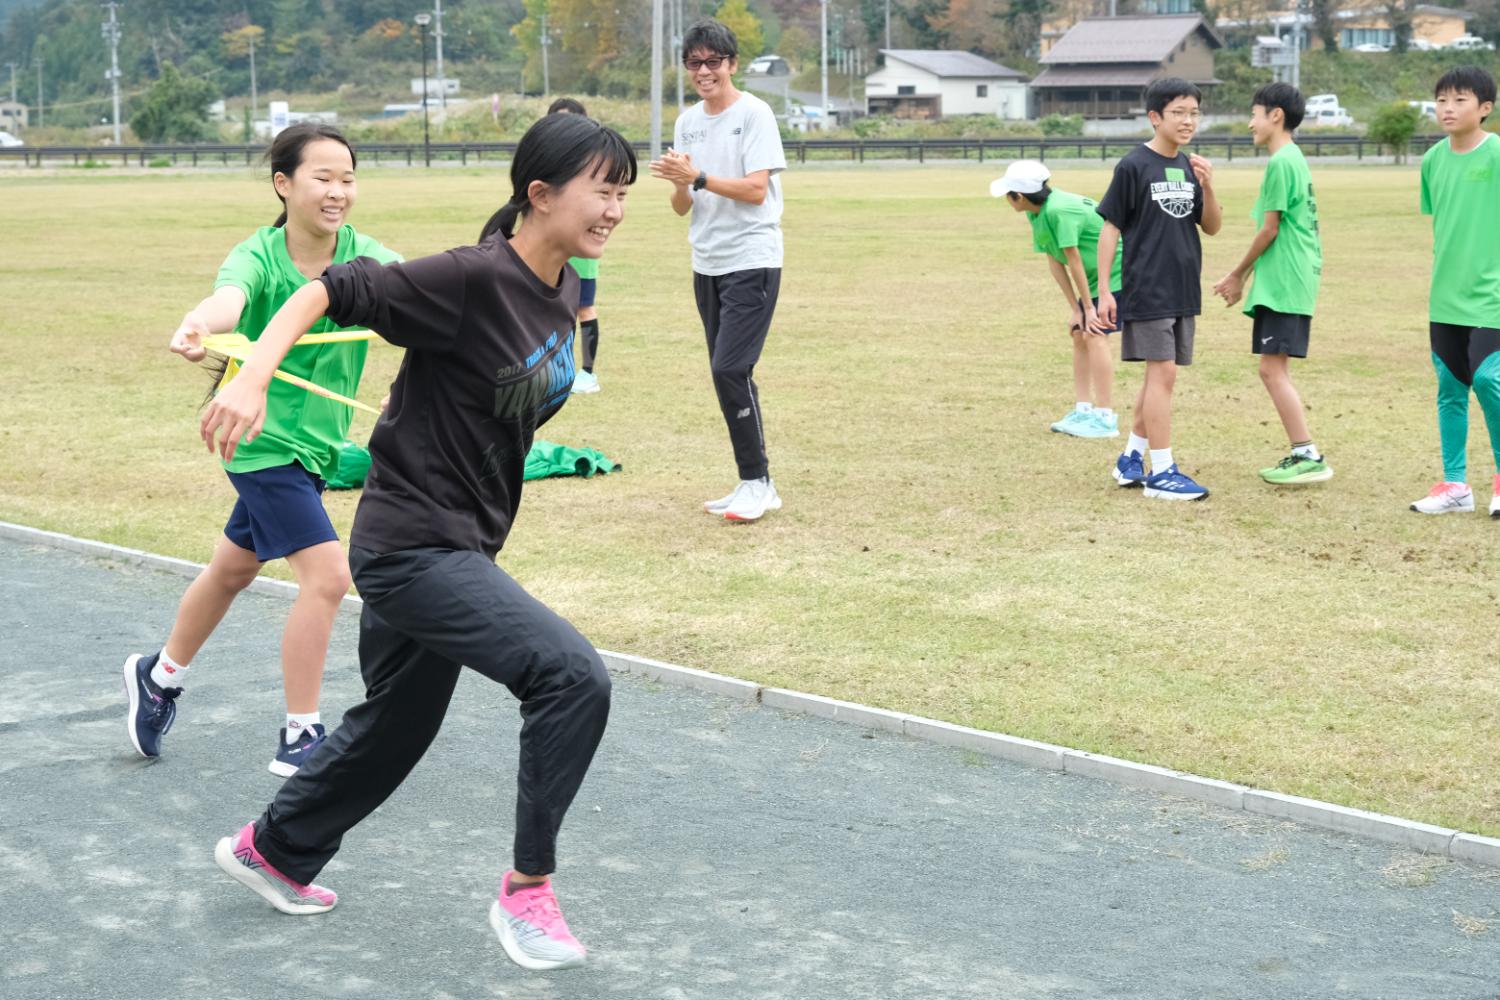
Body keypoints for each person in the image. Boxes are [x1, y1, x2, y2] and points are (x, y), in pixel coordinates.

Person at [202, 112, 632, 972]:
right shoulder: (471, 278)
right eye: (601, 190)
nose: (616, 208)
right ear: (540, 196)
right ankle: (529, 892)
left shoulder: (558, 288)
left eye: (624, 192)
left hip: (464, 544)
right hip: (411, 550)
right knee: (570, 677)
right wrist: (249, 374)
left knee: (397, 724)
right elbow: (332, 289)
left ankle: (275, 849)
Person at [123, 123, 400, 776]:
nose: (338, 192)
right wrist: (198, 323)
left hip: (317, 450)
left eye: (348, 179)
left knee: (232, 570)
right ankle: (301, 734)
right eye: (323, 178)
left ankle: (157, 677)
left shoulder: (365, 256)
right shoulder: (258, 255)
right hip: (259, 443)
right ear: (284, 184)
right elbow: (230, 299)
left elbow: (424, 295)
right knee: (328, 578)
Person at [649, 18, 787, 522]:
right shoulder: (688, 121)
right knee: (728, 374)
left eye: (713, 62)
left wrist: (699, 176)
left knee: (730, 369)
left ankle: (758, 481)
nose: (704, 71)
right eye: (694, 63)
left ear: (731, 64)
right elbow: (682, 207)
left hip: (752, 258)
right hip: (706, 261)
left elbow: (755, 191)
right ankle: (754, 481)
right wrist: (682, 183)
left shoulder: (755, 114)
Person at [1096, 77, 1223, 501]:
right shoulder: (1133, 165)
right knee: (1162, 374)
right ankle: (1162, 471)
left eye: (1194, 113)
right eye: (1179, 113)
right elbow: (1110, 227)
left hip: (1183, 288)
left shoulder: (1190, 165)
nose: (1188, 121)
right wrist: (1105, 292)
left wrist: (1207, 185)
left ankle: (1132, 458)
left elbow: (1211, 226)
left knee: (1160, 377)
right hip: (1147, 287)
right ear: (1155, 117)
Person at [1212, 82, 1331, 486]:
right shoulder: (1292, 158)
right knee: (1271, 369)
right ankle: (1305, 452)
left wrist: (1236, 274)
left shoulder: (1282, 162)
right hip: (1288, 278)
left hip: (1285, 281)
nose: (1250, 123)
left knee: (1271, 370)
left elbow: (1269, 230)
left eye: (1255, 114)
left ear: (1275, 115)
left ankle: (1307, 454)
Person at [1410, 65, 1500, 517]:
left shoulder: (1498, 155)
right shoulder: (1432, 160)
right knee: (1450, 388)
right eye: (1442, 99)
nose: (1448, 108)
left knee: (1489, 380)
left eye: (1460, 100)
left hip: (1493, 297)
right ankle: (1455, 485)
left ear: (1485, 108)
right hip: (1445, 296)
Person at [993, 159, 1123, 439]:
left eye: (1008, 194)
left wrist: (1089, 307)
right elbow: (1056, 260)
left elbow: (1073, 259)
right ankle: (1083, 409)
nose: (1006, 199)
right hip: (1091, 277)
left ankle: (1105, 418)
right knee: (1079, 332)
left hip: (1115, 272)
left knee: (1095, 335)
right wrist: (1076, 309)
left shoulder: (1059, 210)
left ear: (1020, 196)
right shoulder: (1036, 212)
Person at [548, 97, 605, 394]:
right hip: (551, 243)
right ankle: (559, 371)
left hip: (579, 243)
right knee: (552, 306)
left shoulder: (593, 159)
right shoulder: (544, 161)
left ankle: (587, 373)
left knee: (583, 306)